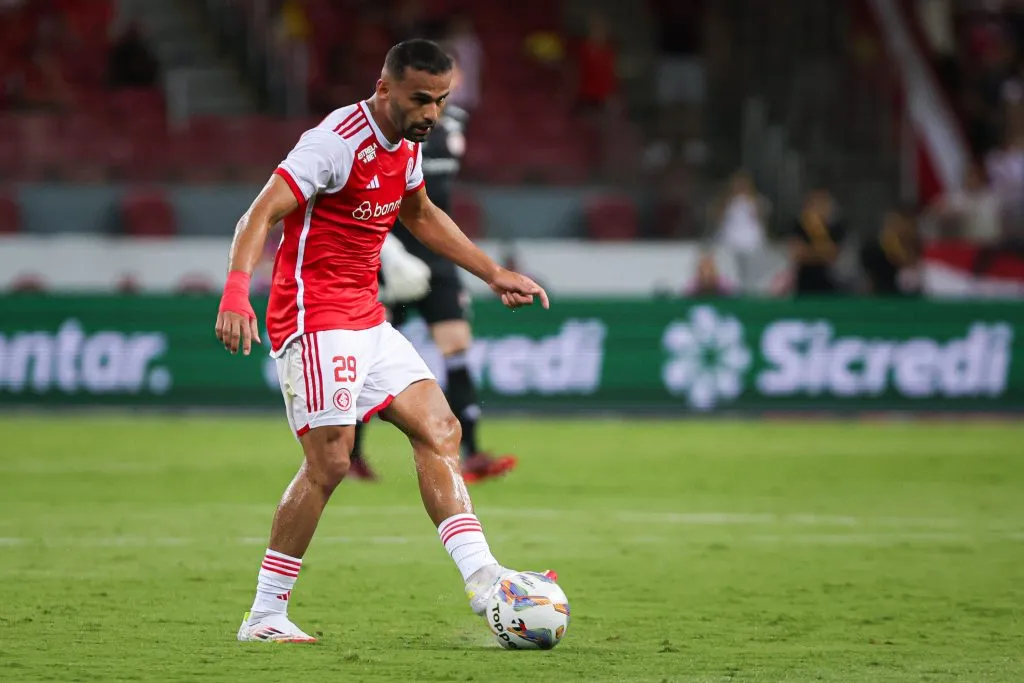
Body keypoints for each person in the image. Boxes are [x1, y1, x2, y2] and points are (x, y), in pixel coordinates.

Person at [214, 39, 553, 644]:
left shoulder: (406, 145)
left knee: (440, 428)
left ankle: (482, 580)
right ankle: (265, 615)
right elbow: (258, 214)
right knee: (331, 461)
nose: (431, 113)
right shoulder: (336, 142)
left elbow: (420, 214)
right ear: (385, 87)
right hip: (314, 318)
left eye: (442, 101)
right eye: (420, 99)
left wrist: (493, 272)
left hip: (367, 319)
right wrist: (237, 291)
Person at [349, 55, 516, 485]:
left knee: (456, 346)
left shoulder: (455, 123)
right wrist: (385, 247)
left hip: (436, 254)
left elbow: (427, 204)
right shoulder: (388, 125)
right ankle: (350, 455)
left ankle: (474, 452)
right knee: (367, 357)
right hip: (389, 252)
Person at [789, 188, 845, 296]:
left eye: (822, 205)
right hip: (804, 286)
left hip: (831, 285)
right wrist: (820, 254)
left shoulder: (836, 228)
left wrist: (817, 231)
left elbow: (832, 256)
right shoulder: (798, 228)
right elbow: (798, 255)